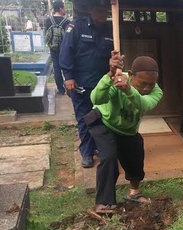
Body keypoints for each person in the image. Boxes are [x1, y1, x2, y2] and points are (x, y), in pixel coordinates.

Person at [86, 52, 163, 213]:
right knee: (109, 157)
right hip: (104, 123)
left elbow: (144, 105)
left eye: (151, 84)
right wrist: (109, 76)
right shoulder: (117, 80)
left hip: (128, 130)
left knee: (135, 156)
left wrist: (128, 89)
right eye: (143, 84)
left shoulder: (156, 91)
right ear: (132, 75)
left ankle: (134, 194)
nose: (147, 88)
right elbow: (96, 99)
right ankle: (104, 203)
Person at [60, 0, 113, 168]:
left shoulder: (110, 30)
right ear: (91, 10)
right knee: (84, 118)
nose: (102, 13)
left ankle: (98, 147)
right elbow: (66, 51)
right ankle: (87, 152)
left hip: (102, 85)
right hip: (81, 83)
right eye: (99, 10)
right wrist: (68, 77)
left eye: (105, 10)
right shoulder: (76, 27)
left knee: (101, 116)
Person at [45, 0, 70, 95]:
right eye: (64, 7)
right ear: (60, 9)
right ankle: (69, 88)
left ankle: (61, 89)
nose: (65, 9)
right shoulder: (66, 21)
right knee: (66, 67)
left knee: (56, 68)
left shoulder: (48, 20)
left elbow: (47, 35)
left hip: (53, 48)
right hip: (65, 49)